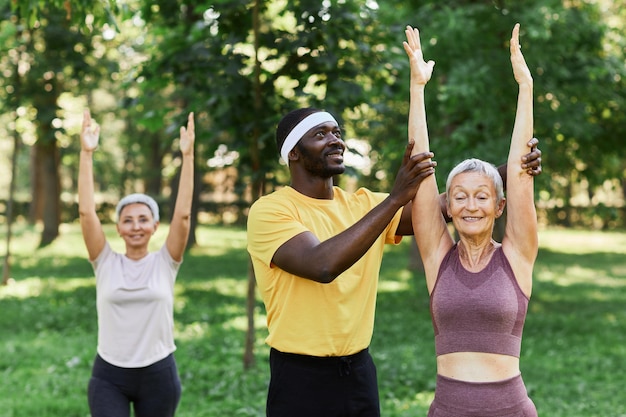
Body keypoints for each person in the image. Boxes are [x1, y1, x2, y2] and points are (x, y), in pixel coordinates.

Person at [246, 106, 541, 415]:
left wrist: (514, 170)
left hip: (358, 372)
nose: (336, 141)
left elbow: (439, 209)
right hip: (300, 377)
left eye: (337, 133)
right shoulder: (270, 211)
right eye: (320, 135)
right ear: (293, 153)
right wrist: (394, 198)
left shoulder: (363, 205)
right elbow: (322, 265)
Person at [404, 23, 539, 416]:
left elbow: (518, 175)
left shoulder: (517, 256)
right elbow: (421, 173)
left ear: (499, 206)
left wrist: (525, 87)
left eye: (482, 196)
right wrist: (417, 89)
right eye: (459, 197)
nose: (470, 206)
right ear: (450, 207)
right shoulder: (438, 259)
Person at [78, 109, 195, 417]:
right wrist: (86, 153)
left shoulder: (166, 262)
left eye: (144, 219)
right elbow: (86, 214)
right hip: (109, 376)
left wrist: (188, 158)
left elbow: (182, 216)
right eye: (127, 220)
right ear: (117, 228)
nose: (135, 226)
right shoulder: (104, 261)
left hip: (159, 375)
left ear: (155, 226)